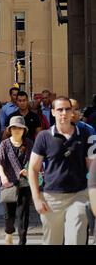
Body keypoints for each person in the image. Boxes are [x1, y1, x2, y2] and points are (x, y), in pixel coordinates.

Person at [29, 96, 91, 245]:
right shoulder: (44, 136)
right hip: (51, 198)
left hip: (78, 196)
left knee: (76, 239)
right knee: (52, 242)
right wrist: (36, 198)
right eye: (60, 109)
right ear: (53, 112)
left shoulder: (86, 135)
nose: (64, 112)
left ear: (72, 113)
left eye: (67, 109)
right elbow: (33, 168)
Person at [0, 116, 33, 245]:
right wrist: (3, 176)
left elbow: (33, 162)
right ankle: (9, 232)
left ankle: (22, 240)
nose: (17, 130)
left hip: (25, 183)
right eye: (14, 128)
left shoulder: (29, 143)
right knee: (9, 214)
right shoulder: (4, 144)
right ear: (10, 129)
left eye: (20, 128)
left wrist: (28, 171)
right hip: (9, 183)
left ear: (24, 130)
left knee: (24, 213)